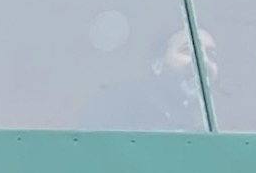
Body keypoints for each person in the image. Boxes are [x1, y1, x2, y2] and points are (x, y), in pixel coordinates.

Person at [80, 25, 213, 130]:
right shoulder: (119, 100)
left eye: (212, 55)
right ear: (157, 65)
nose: (204, 61)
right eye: (187, 50)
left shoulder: (206, 122)